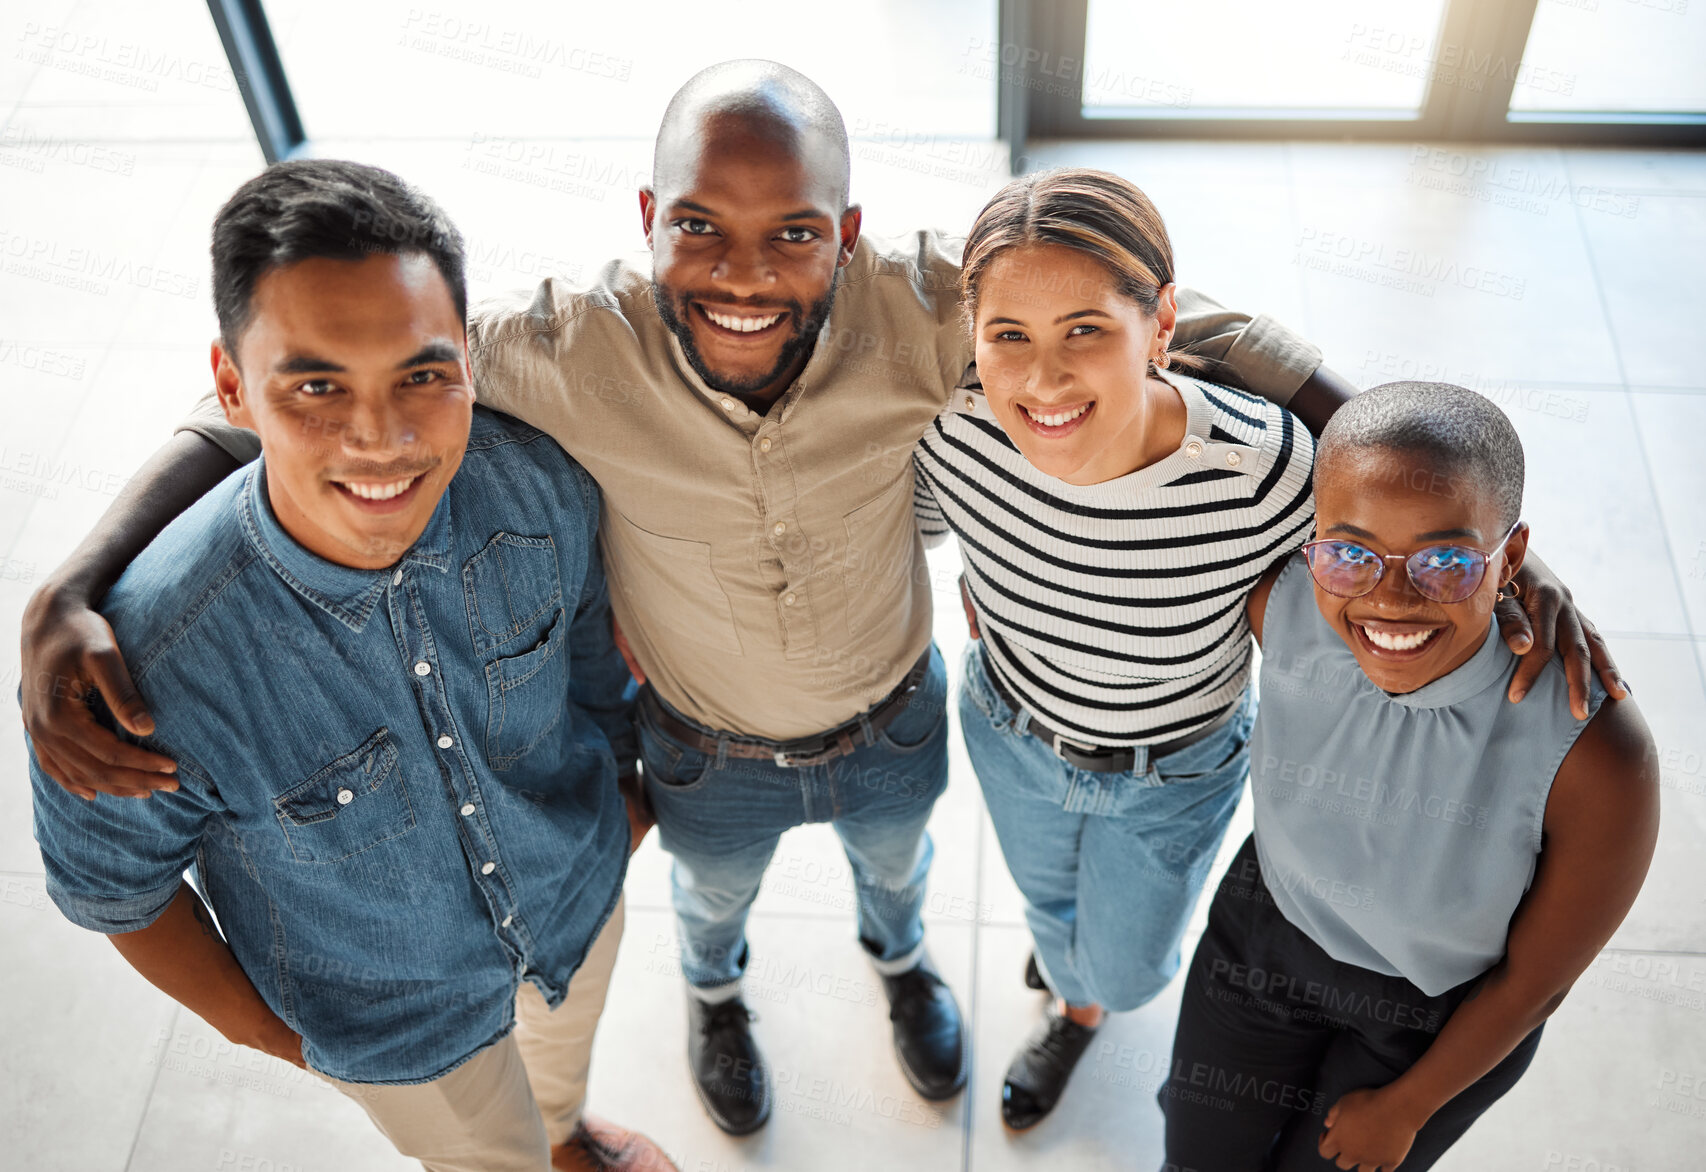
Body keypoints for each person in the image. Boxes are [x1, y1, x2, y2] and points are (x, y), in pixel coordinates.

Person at [17, 60, 1621, 1136]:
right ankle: (716, 1001)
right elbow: (303, 386)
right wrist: (73, 584)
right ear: (647, 225)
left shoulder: (946, 311)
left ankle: (901, 960)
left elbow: (1178, 327)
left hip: (895, 719)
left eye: (794, 232)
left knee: (897, 870)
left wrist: (1382, 479)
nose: (744, 268)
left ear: (847, 236)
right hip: (701, 745)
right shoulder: (556, 347)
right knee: (705, 907)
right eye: (698, 229)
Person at [913, 167, 1626, 1131]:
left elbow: (1394, 533)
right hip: (1009, 729)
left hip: (1172, 767)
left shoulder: (1265, 474)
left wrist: (1518, 573)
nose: (1043, 379)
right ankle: (1065, 973)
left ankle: (1086, 997)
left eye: (1087, 329)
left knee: (1124, 969)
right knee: (1047, 905)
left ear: (1162, 324)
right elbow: (899, 538)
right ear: (974, 338)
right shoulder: (951, 436)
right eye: (1009, 337)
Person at [23, 160, 673, 1172]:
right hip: (398, 1035)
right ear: (231, 385)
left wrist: (616, 799)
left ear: (467, 354)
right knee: (481, 1154)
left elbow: (591, 655)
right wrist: (268, 1030)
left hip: (574, 905)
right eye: (317, 384)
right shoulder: (144, 666)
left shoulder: (541, 488)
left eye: (420, 374)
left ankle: (562, 1136)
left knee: (552, 1087)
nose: (381, 437)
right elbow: (118, 890)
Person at [1159, 382, 1658, 1171]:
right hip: (1261, 939)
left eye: (1446, 562)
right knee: (1196, 1152)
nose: (1391, 599)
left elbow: (1535, 984)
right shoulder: (1280, 603)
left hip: (1432, 1024)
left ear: (1513, 560)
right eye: (1352, 553)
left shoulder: (1596, 751)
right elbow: (1157, 358)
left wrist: (1409, 1106)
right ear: (1311, 541)